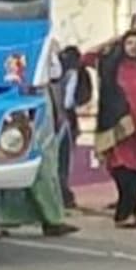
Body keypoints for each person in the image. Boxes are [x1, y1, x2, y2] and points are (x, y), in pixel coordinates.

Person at [90, 30, 136, 228]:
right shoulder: (112, 67)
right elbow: (86, 57)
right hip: (121, 126)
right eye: (129, 43)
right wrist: (110, 41)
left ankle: (130, 212)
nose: (133, 47)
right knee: (124, 168)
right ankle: (124, 211)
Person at [56, 46, 87, 209]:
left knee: (58, 160)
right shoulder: (75, 73)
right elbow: (70, 102)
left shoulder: (58, 73)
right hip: (67, 120)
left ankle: (61, 194)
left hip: (56, 119)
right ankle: (63, 194)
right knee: (64, 160)